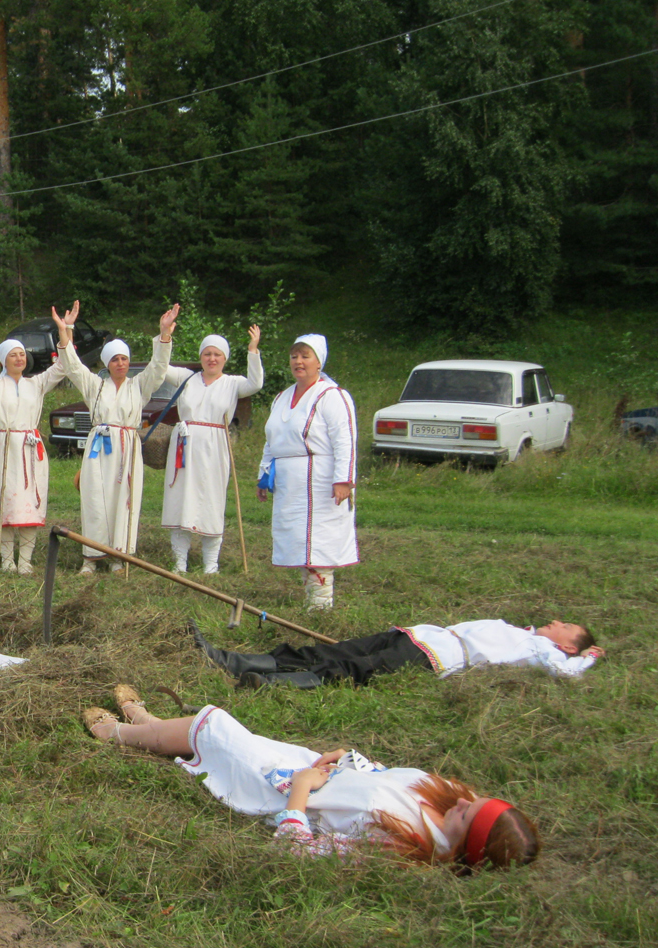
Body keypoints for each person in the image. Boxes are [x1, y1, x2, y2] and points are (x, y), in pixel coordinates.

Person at [83, 689, 539, 871]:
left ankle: (120, 733)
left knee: (218, 729)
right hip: (315, 773)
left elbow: (298, 850)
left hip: (284, 792)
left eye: (469, 813)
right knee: (222, 734)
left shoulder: (403, 846)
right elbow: (384, 779)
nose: (465, 800)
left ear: (472, 843)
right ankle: (153, 724)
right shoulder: (448, 803)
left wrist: (300, 792)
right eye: (475, 801)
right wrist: (351, 759)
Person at [52, 302, 179, 573]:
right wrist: (66, 331)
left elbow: (158, 367)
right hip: (99, 449)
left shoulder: (139, 386)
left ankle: (120, 556)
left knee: (124, 499)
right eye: (114, 359)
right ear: (107, 364)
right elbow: (73, 367)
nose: (120, 363)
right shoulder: (95, 386)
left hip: (127, 450)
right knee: (96, 499)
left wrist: (164, 334)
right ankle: (91, 556)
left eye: (124, 359)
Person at [189, 618, 604, 689]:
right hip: (417, 635)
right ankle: (232, 660)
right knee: (335, 650)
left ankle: (268, 683)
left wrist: (586, 659)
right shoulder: (523, 631)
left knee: (355, 668)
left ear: (566, 645)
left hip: (438, 657)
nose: (558, 622)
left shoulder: (541, 650)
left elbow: (565, 673)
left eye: (567, 627)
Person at [0, 308, 71, 574]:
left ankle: (26, 561)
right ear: (3, 360)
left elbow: (64, 366)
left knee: (30, 503)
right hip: (6, 448)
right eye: (13, 354)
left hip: (31, 449)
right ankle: (7, 559)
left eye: (22, 353)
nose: (20, 358)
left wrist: (63, 330)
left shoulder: (37, 383)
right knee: (7, 501)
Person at [257, 334, 357, 608]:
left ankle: (321, 604)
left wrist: (343, 480)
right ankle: (310, 595)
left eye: (305, 356)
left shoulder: (332, 396)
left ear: (319, 361)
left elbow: (345, 439)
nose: (298, 362)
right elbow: (272, 439)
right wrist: (263, 475)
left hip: (320, 479)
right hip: (291, 482)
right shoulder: (282, 396)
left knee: (318, 541)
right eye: (294, 356)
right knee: (298, 540)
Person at [159, 327, 264, 574]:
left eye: (217, 354)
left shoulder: (232, 383)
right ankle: (179, 562)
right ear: (201, 357)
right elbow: (161, 367)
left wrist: (253, 350)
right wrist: (164, 337)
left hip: (214, 447)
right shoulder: (187, 378)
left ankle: (210, 564)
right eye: (207, 354)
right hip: (184, 447)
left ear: (224, 358)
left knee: (211, 500)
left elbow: (256, 383)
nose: (212, 359)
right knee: (180, 499)